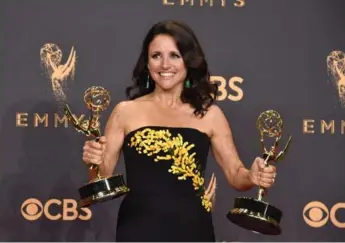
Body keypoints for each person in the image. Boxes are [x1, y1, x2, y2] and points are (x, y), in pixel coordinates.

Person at [82, 20, 277, 242]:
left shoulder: (210, 115)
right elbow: (102, 176)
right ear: (147, 63)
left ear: (189, 61)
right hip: (137, 229)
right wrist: (93, 162)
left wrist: (252, 176)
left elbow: (235, 176)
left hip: (193, 229)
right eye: (156, 56)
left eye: (174, 55)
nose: (165, 65)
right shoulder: (125, 112)